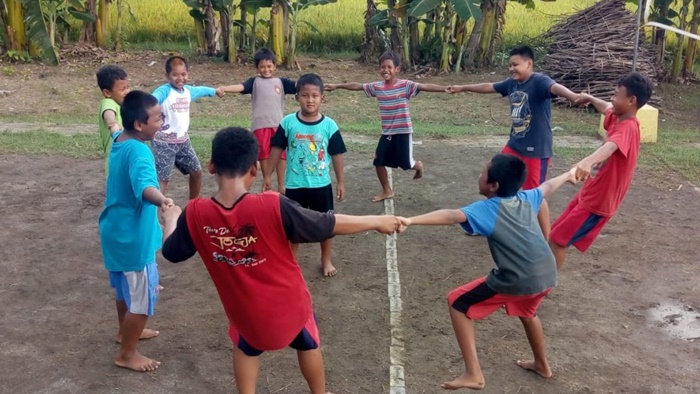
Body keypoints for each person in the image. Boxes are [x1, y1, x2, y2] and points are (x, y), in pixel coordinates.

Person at [160, 127, 400, 394]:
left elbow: (172, 252)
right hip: (290, 307)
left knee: (245, 347)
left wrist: (171, 219)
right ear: (254, 168)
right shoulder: (271, 204)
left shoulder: (195, 213)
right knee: (308, 344)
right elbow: (326, 223)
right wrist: (376, 221)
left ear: (212, 166)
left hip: (245, 313)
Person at [398, 154, 578, 390]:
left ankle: (473, 373)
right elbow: (548, 186)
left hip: (517, 279)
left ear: (493, 186)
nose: (479, 175)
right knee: (528, 312)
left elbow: (452, 215)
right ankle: (542, 365)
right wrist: (568, 174)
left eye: (482, 173)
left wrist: (410, 220)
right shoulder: (526, 197)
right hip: (547, 274)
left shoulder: (487, 209)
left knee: (457, 303)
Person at [446, 45, 581, 240]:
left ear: (529, 64)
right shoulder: (512, 84)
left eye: (515, 65)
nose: (511, 69)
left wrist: (573, 96)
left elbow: (555, 88)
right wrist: (462, 87)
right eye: (509, 65)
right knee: (496, 180)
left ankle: (546, 238)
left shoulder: (539, 81)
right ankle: (488, 222)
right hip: (514, 146)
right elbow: (489, 87)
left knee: (536, 194)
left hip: (536, 151)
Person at [98, 90, 174, 372]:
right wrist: (163, 200)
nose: (162, 121)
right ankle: (127, 354)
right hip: (133, 240)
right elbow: (145, 187)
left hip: (115, 232)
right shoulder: (140, 150)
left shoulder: (120, 140)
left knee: (123, 292)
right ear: (139, 125)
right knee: (141, 300)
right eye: (157, 118)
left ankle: (124, 332)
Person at [550, 72, 653, 270]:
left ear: (631, 100)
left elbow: (611, 146)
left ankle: (538, 291)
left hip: (598, 203)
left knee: (558, 241)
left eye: (616, 95)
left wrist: (589, 160)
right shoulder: (618, 116)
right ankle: (536, 285)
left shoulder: (628, 128)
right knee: (554, 236)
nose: (611, 99)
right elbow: (605, 107)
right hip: (590, 194)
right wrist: (589, 98)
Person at [325, 51, 449, 203]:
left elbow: (423, 86)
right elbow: (357, 86)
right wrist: (337, 86)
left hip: (403, 131)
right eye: (382, 67)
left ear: (397, 69)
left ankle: (418, 166)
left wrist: (444, 88)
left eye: (389, 67)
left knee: (406, 164)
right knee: (378, 161)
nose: (386, 70)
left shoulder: (405, 86)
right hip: (387, 132)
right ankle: (387, 190)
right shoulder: (377, 87)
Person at [263, 73, 346, 277]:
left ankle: (325, 260)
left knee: (327, 225)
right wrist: (267, 176)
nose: (310, 100)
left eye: (314, 96)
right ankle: (292, 263)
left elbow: (336, 155)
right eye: (305, 95)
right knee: (293, 228)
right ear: (297, 97)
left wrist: (340, 181)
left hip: (321, 185)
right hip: (295, 186)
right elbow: (276, 150)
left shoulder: (329, 126)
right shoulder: (288, 123)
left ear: (322, 98)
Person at [220, 48, 296, 194]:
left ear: (274, 66)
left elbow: (298, 85)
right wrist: (225, 88)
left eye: (269, 66)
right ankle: (267, 181)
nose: (266, 69)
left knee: (281, 154)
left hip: (278, 125)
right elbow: (241, 87)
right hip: (260, 126)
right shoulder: (254, 82)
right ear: (257, 68)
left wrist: (321, 85)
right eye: (262, 66)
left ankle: (282, 186)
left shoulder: (281, 82)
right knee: (264, 155)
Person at [152, 56, 224, 199]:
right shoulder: (164, 91)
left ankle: (193, 205)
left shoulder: (187, 91)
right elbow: (152, 99)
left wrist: (214, 91)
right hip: (163, 144)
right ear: (167, 76)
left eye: (183, 74)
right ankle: (151, 214)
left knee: (196, 172)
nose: (180, 78)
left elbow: (201, 90)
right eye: (175, 75)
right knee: (162, 180)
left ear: (187, 73)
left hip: (183, 142)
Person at [96, 65, 130, 177]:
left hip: (127, 155)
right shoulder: (108, 102)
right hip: (115, 159)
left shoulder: (123, 105)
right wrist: (112, 124)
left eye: (127, 87)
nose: (127, 92)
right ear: (107, 93)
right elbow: (108, 114)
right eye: (122, 89)